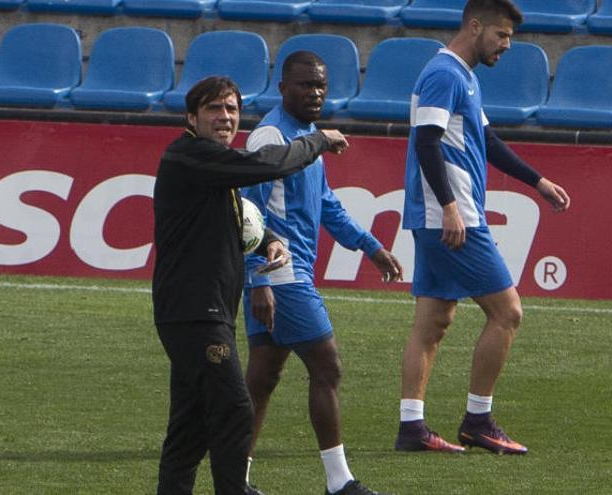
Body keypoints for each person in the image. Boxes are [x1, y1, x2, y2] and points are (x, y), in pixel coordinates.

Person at [152, 75, 349, 495]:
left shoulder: (209, 164)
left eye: (232, 109)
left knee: (188, 430)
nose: (225, 117)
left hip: (197, 313)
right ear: (191, 117)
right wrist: (318, 140)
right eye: (214, 109)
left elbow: (239, 223)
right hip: (195, 313)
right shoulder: (192, 155)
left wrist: (271, 242)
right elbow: (269, 164)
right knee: (236, 409)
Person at [395, 0, 570, 455]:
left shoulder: (462, 77)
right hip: (451, 218)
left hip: (441, 214)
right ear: (475, 26)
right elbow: (427, 142)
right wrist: (451, 207)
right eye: (502, 35)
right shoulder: (444, 74)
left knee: (434, 319)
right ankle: (478, 420)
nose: (507, 45)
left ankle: (411, 427)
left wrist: (537, 181)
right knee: (507, 311)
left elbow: (485, 140)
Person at [241, 51, 402, 495]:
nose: (314, 93)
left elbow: (326, 201)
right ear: (282, 88)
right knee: (327, 367)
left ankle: (236, 478)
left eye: (320, 86)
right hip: (281, 274)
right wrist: (256, 276)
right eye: (304, 85)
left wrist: (369, 245)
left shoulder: (309, 135)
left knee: (262, 379)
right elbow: (248, 214)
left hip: (284, 274)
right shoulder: (270, 137)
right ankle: (339, 481)